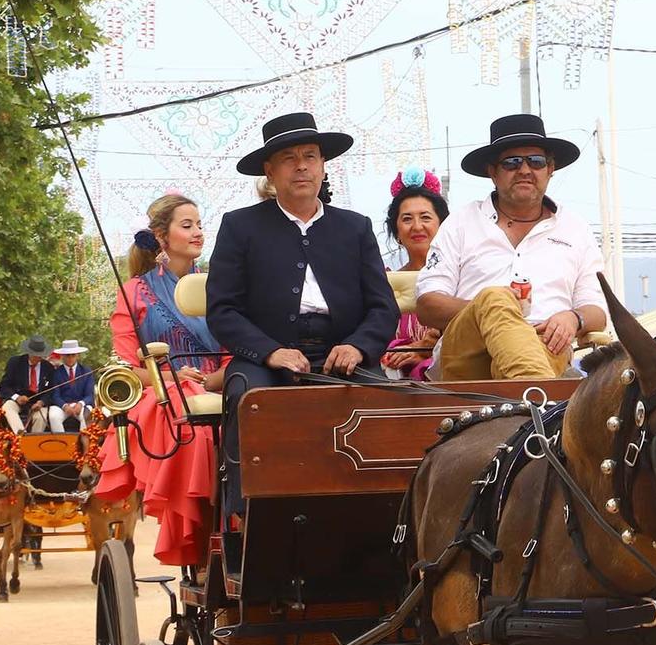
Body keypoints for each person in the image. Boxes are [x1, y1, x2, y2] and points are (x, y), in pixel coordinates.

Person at [206, 111, 400, 518]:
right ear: (270, 171)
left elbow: (383, 307)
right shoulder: (240, 227)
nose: (301, 166)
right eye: (289, 158)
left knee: (384, 399)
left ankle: (385, 517)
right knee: (248, 398)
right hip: (267, 358)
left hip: (340, 356)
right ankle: (248, 515)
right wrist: (270, 352)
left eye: (310, 156)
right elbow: (222, 310)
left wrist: (358, 347)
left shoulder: (355, 228)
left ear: (323, 165)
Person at [414, 113, 609, 380]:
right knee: (495, 298)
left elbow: (597, 310)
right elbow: (427, 304)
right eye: (512, 162)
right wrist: (490, 311)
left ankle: (529, 393)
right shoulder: (462, 221)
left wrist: (574, 318)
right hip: (467, 351)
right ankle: (541, 403)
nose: (525, 170)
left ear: (550, 170)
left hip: (545, 345)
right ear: (492, 171)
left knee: (525, 337)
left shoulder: (576, 229)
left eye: (536, 161)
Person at [91, 194, 227, 568]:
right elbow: (124, 368)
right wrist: (170, 375)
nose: (198, 232)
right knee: (196, 430)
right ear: (161, 236)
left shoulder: (221, 287)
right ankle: (197, 541)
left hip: (220, 387)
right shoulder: (134, 292)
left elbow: (238, 354)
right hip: (162, 396)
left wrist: (212, 379)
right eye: (187, 225)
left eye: (199, 224)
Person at [380, 168, 450, 381]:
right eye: (407, 219)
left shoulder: (460, 277)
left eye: (426, 217)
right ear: (397, 231)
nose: (417, 226)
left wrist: (426, 350)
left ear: (442, 225)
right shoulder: (383, 280)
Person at [0, 335, 64, 432]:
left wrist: (42, 402)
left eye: (40, 355)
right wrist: (17, 397)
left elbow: (50, 390)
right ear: (29, 352)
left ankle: (34, 443)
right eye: (34, 355)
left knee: (41, 418)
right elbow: (4, 386)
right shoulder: (15, 363)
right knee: (7, 407)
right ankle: (21, 435)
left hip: (38, 402)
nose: (37, 358)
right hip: (18, 400)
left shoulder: (48, 368)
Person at [52, 340, 94, 432]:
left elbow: (90, 395)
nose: (70, 358)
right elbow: (55, 395)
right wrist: (64, 406)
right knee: (53, 416)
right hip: (62, 406)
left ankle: (83, 443)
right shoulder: (56, 373)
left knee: (87, 414)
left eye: (73, 355)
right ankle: (62, 444)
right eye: (67, 355)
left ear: (77, 356)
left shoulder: (86, 371)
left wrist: (81, 403)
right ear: (63, 356)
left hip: (81, 405)